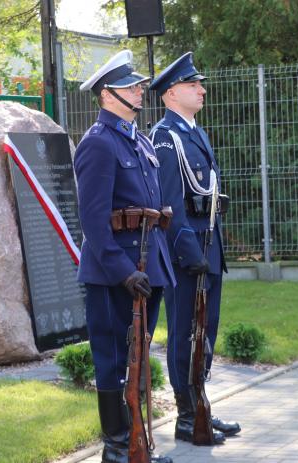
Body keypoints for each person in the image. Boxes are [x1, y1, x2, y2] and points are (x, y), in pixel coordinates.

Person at [74, 49, 175, 463]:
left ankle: (138, 445)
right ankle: (117, 450)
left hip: (146, 266)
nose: (140, 89)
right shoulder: (98, 143)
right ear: (107, 94)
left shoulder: (138, 140)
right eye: (131, 85)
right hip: (114, 272)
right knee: (114, 360)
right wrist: (120, 271)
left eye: (137, 84)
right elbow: (94, 220)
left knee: (137, 359)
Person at [149, 52, 240, 445]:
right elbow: (169, 203)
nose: (201, 90)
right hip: (188, 254)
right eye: (192, 85)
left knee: (207, 331)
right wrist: (189, 252)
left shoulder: (195, 132)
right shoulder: (165, 138)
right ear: (171, 94)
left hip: (208, 245)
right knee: (186, 330)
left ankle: (200, 403)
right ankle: (186, 416)